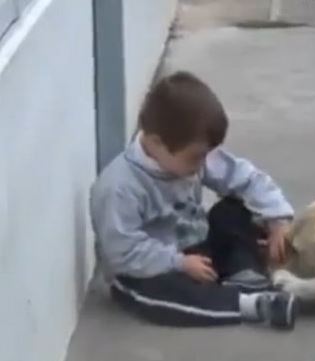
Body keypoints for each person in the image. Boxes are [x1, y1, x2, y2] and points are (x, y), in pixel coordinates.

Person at [89, 70, 297, 330]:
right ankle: (247, 305)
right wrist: (178, 263)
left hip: (199, 248)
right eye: (196, 157)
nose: (202, 164)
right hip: (153, 266)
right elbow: (123, 252)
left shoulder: (190, 155)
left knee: (233, 210)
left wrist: (277, 218)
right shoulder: (120, 187)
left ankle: (244, 276)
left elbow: (244, 178)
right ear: (156, 143)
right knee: (156, 293)